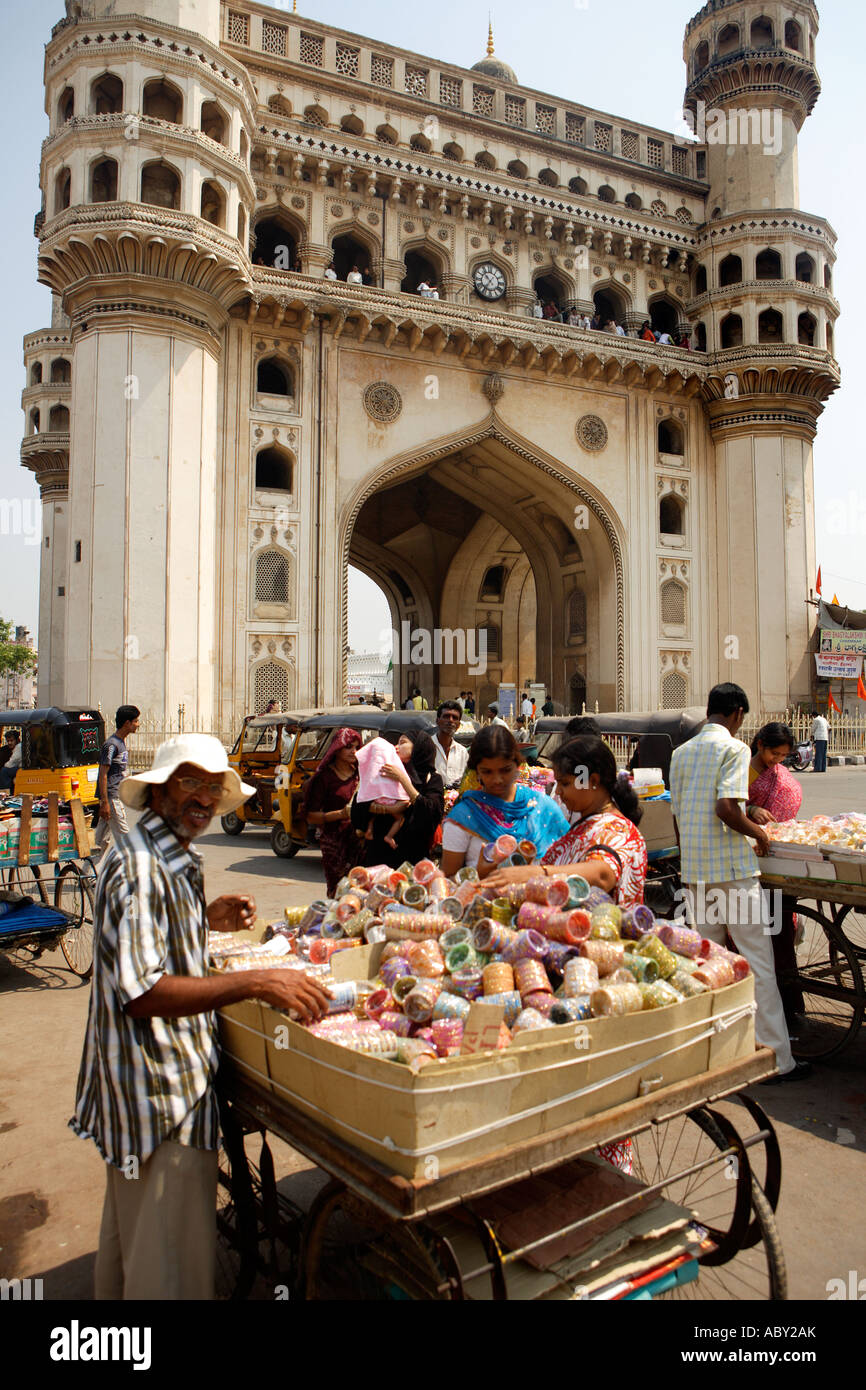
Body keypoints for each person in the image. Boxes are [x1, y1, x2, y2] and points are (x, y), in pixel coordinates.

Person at [70, 734, 331, 1300]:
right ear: (160, 789)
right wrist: (258, 980)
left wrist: (202, 916)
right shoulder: (141, 866)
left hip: (142, 1093)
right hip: (158, 1096)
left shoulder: (171, 857)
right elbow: (142, 991)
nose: (204, 797)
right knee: (170, 1269)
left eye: (214, 787)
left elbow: (151, 943)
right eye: (191, 782)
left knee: (132, 1245)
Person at [669, 683, 808, 1084]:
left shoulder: (680, 754)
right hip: (731, 871)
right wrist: (759, 833)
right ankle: (778, 1058)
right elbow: (726, 808)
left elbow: (681, 816)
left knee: (711, 964)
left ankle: (718, 1054)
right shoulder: (734, 748)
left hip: (695, 873)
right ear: (737, 715)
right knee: (758, 963)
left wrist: (687, 859)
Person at [484, 736, 647, 905]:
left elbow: (602, 875)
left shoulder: (617, 830)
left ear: (592, 781)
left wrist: (534, 873)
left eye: (565, 783)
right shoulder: (587, 823)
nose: (559, 792)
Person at [440, 724, 568, 876]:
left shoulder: (543, 807)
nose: (497, 780)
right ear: (477, 772)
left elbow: (569, 863)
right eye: (487, 772)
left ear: (517, 765)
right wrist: (479, 875)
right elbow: (448, 880)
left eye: (505, 770)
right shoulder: (464, 816)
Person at [746, 723, 804, 1025]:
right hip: (747, 860)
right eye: (773, 753)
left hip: (775, 859)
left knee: (780, 936)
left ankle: (790, 1009)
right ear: (759, 745)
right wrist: (752, 809)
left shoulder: (781, 779)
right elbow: (728, 804)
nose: (776, 761)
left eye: (783, 756)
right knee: (753, 939)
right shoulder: (743, 769)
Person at [354, 730, 444, 868]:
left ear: (419, 747)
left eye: (402, 742)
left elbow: (431, 814)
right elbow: (358, 806)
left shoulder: (432, 779)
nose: (395, 747)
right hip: (379, 855)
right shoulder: (384, 772)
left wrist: (402, 779)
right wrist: (388, 809)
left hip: (413, 858)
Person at [302, 728, 362, 895]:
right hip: (334, 843)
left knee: (361, 892)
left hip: (359, 841)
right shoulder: (324, 778)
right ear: (337, 748)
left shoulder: (359, 774)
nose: (354, 752)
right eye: (349, 747)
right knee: (338, 892)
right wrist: (340, 814)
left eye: (356, 747)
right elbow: (311, 816)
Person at [95, 705, 141, 853]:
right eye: (135, 721)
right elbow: (103, 774)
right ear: (127, 723)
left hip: (114, 798)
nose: (137, 724)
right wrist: (104, 803)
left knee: (100, 843)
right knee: (127, 842)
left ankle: (86, 874)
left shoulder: (121, 743)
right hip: (111, 799)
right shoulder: (111, 745)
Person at [431, 700, 469, 789]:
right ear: (437, 721)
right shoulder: (426, 747)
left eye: (455, 718)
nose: (450, 720)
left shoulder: (462, 752)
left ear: (458, 725)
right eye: (446, 716)